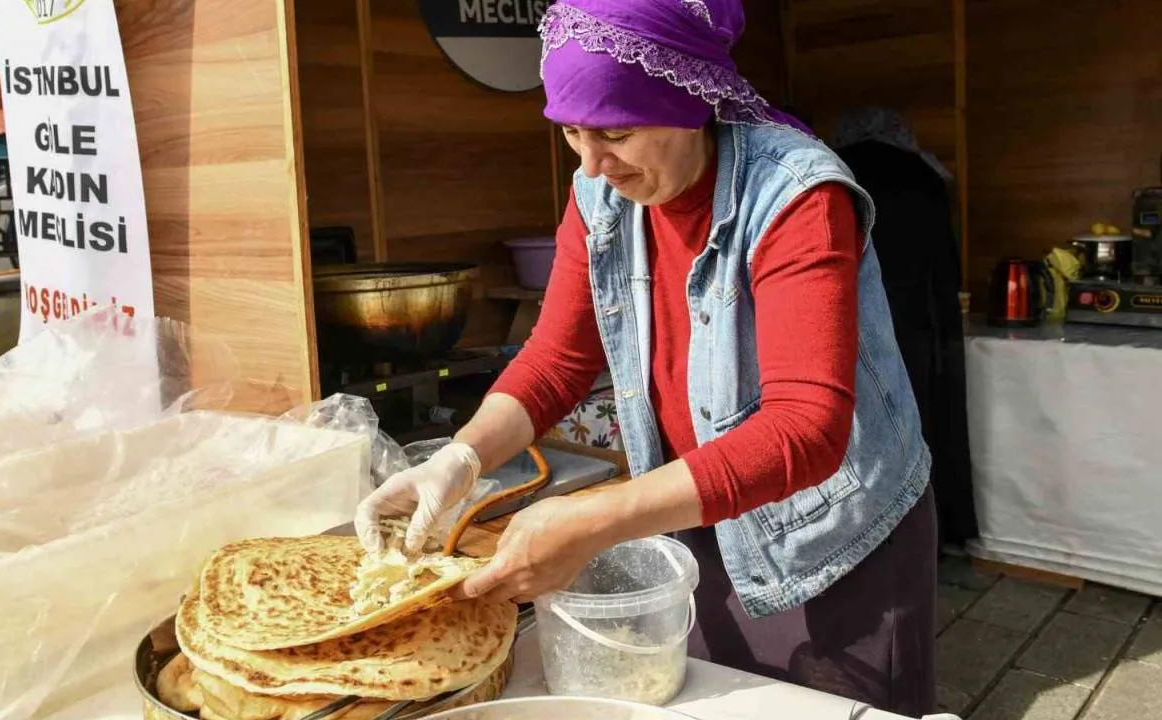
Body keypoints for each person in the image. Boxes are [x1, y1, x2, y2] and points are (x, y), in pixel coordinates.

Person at [355, 1, 937, 714]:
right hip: (696, 511)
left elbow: (806, 428)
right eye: (572, 132)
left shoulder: (795, 196)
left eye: (616, 132)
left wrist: (596, 517)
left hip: (829, 541)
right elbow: (557, 359)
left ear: (689, 101)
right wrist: (462, 457)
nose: (593, 163)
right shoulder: (599, 195)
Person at [832, 108, 978, 549]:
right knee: (924, 424)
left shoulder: (835, 170)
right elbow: (945, 260)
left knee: (864, 434)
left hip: (854, 322)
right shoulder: (924, 174)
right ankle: (934, 533)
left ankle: (871, 538)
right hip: (920, 322)